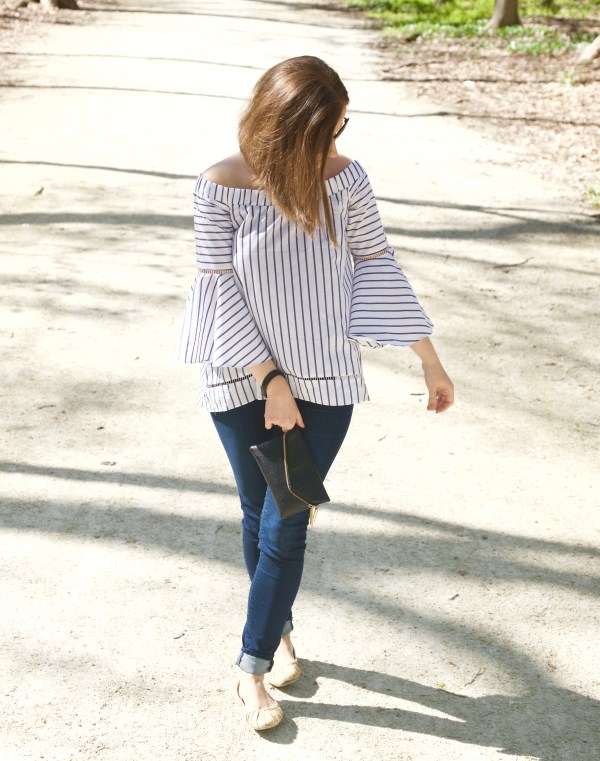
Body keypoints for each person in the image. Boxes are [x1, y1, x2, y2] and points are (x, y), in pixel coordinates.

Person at [175, 55, 454, 731]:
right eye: (326, 128)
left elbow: (376, 262)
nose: (336, 140)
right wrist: (270, 380)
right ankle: (279, 635)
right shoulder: (219, 186)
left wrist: (429, 360)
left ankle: (250, 668)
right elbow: (219, 291)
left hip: (325, 381)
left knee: (287, 515)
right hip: (239, 375)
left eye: (341, 125)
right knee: (257, 509)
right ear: (286, 125)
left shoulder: (346, 178)